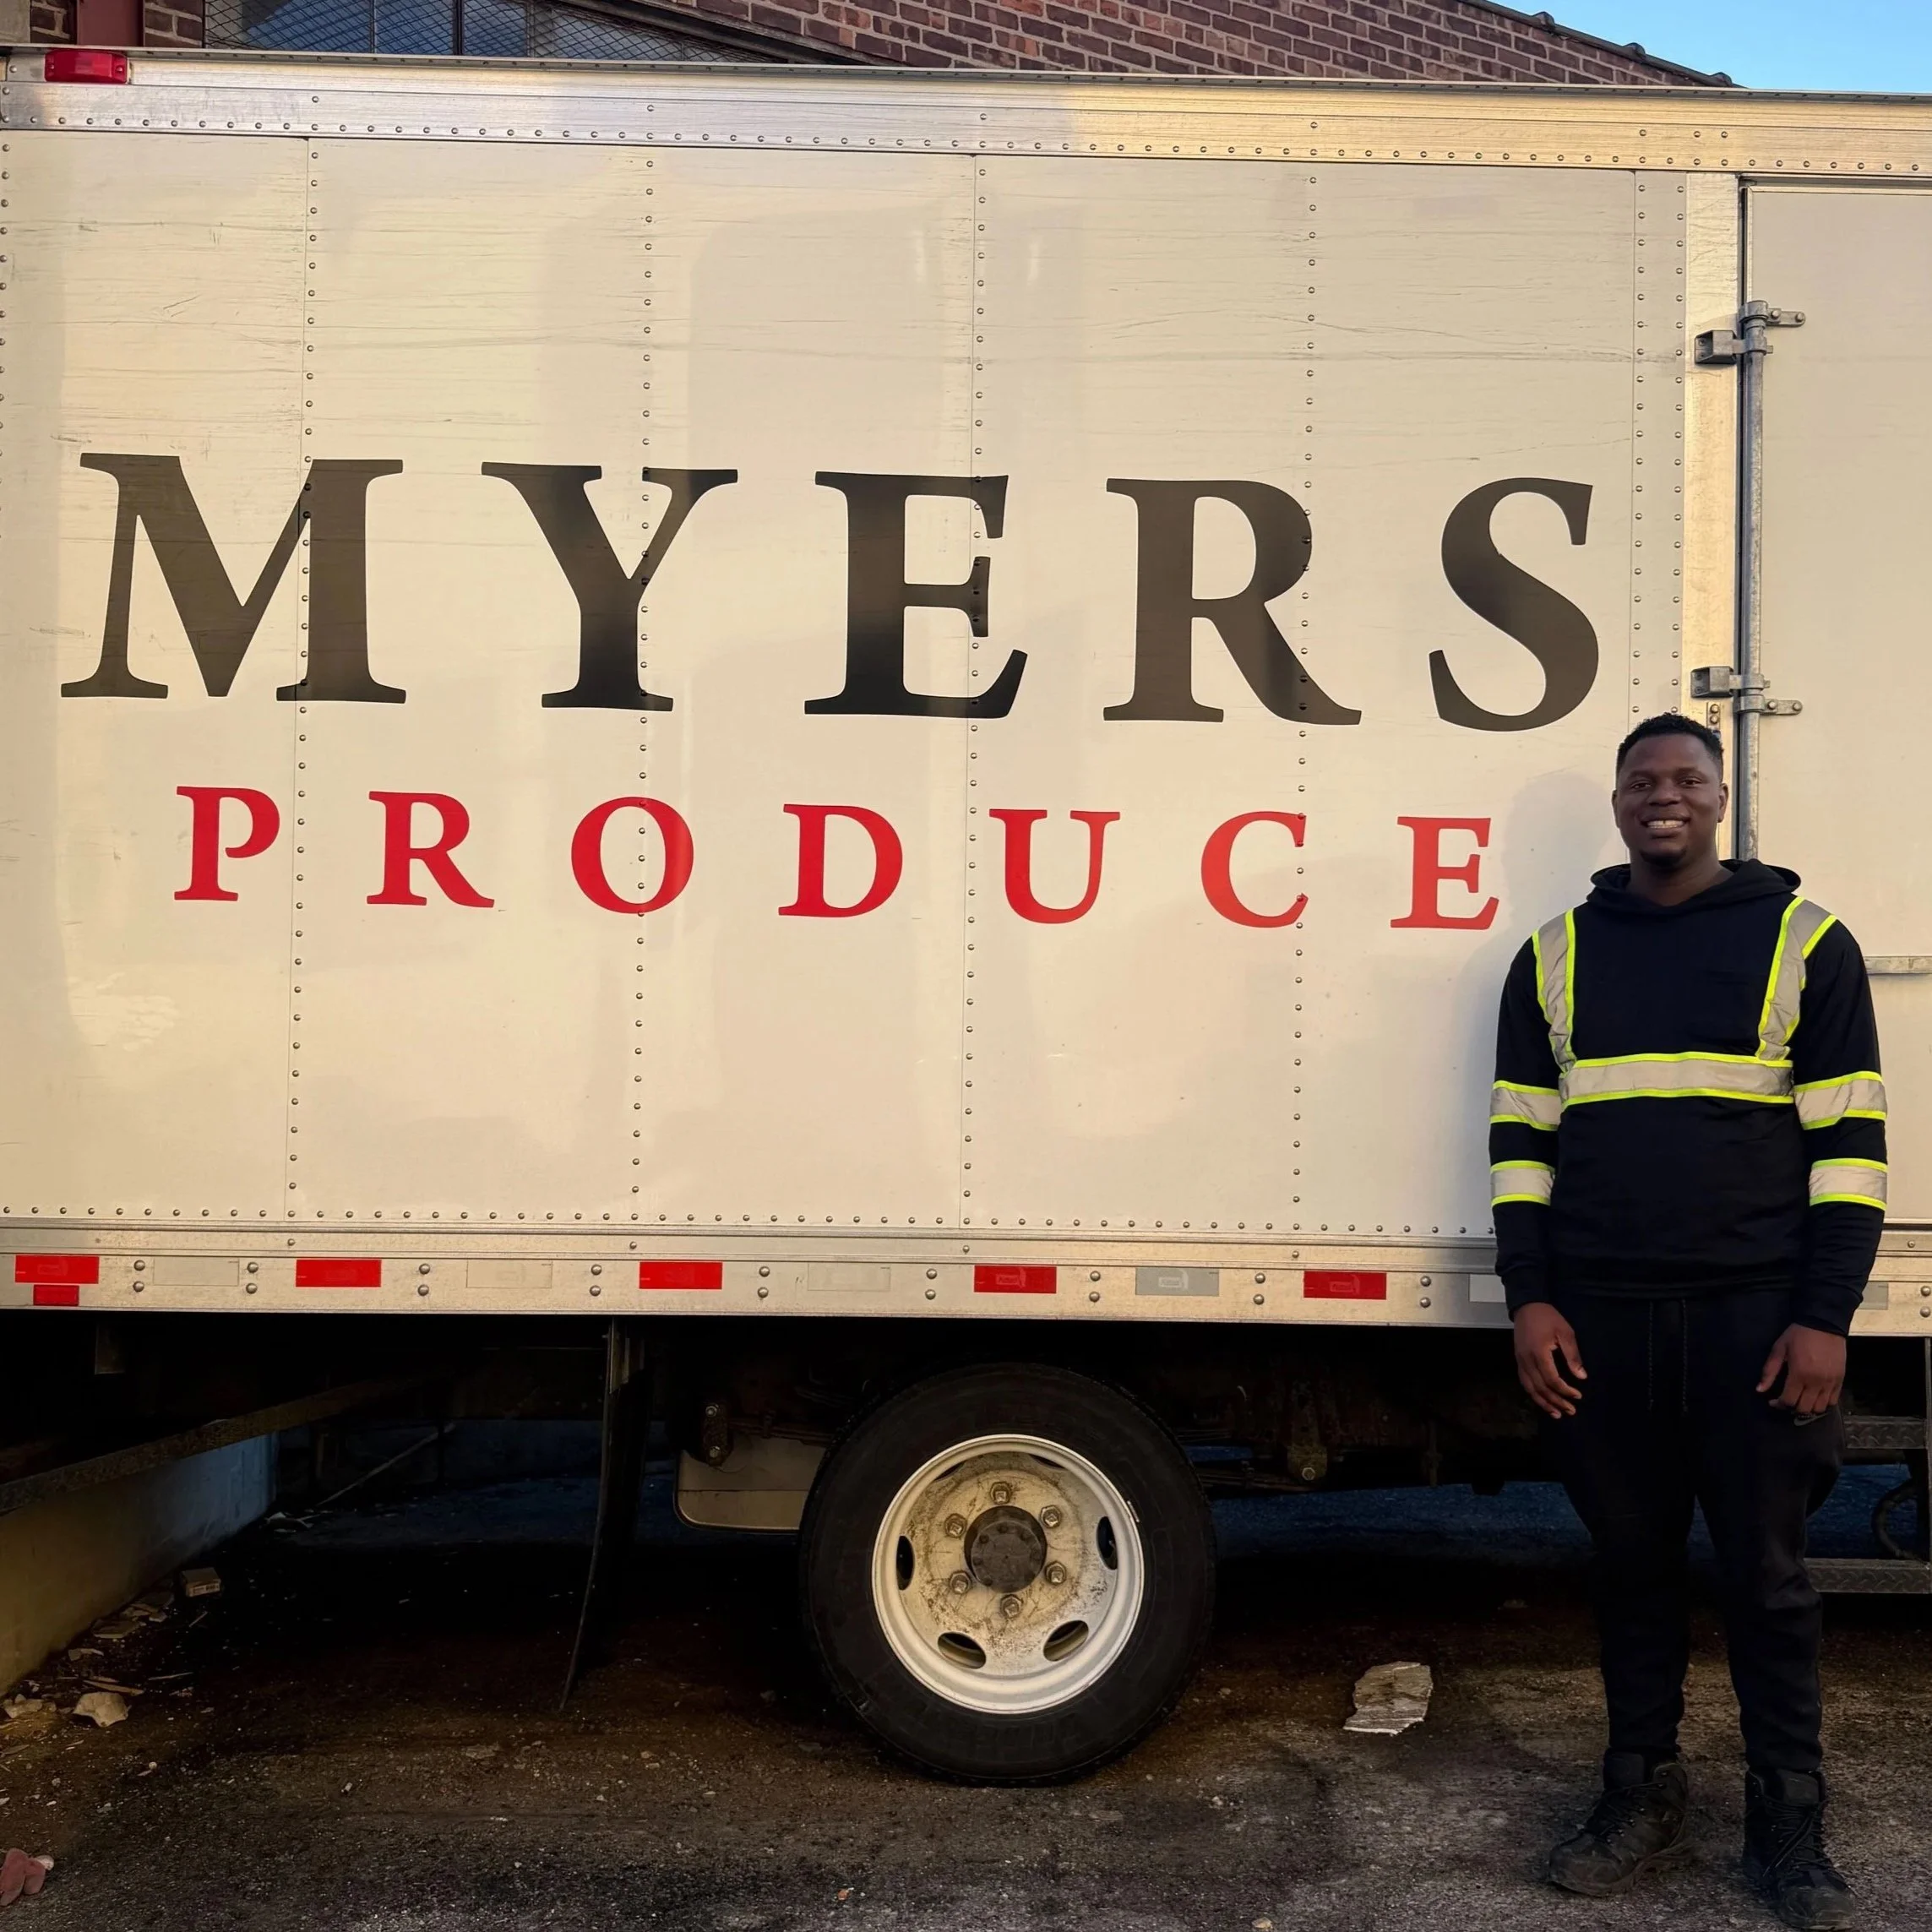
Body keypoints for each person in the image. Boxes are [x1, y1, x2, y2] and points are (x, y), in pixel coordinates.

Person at [1489, 712, 1885, 1931]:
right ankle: (1637, 1793)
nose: (1662, 796)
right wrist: (1529, 1296)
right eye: (1640, 781)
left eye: (1685, 778)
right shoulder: (1553, 954)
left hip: (1753, 1322)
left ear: (1719, 798)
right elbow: (1518, 1145)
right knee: (1630, 1572)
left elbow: (1852, 1150)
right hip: (1601, 1323)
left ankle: (1788, 1825)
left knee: (1768, 1582)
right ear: (1617, 804)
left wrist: (1823, 1317)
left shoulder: (1804, 942)